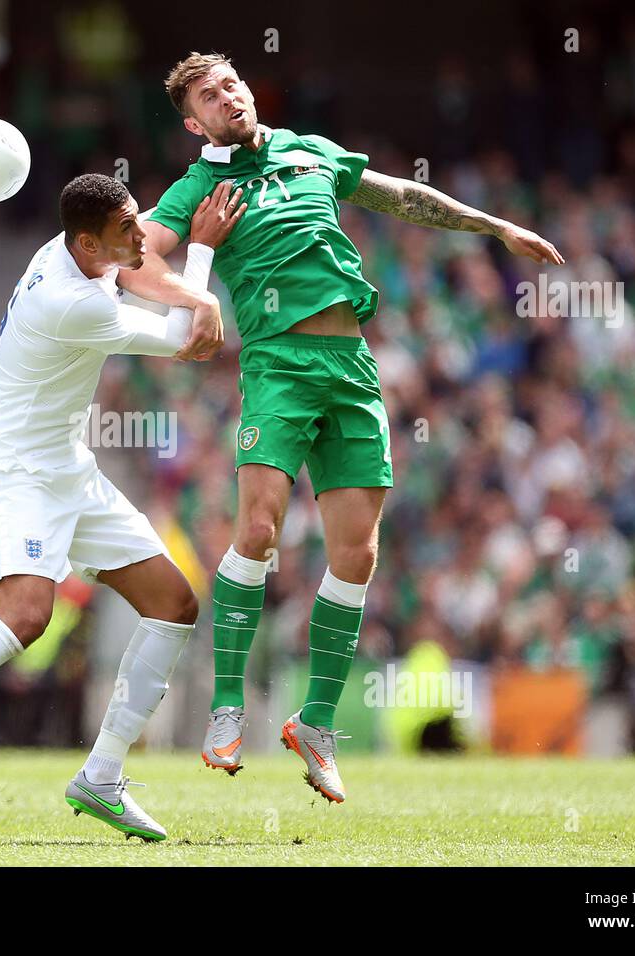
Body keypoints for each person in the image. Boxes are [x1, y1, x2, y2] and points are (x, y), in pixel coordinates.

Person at [119, 51, 563, 803]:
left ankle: (316, 723)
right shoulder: (199, 186)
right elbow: (132, 264)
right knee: (256, 532)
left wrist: (494, 226)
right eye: (209, 94)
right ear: (193, 121)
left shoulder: (308, 149)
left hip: (351, 364)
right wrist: (198, 274)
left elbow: (400, 196)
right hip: (277, 364)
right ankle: (227, 708)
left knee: (357, 553)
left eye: (232, 81)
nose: (228, 95)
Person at [0, 173, 243, 841]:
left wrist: (189, 288)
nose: (140, 237)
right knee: (27, 618)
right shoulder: (71, 304)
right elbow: (187, 339)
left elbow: (139, 274)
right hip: (17, 473)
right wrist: (200, 255)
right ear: (89, 241)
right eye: (126, 231)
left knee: (175, 605)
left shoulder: (68, 251)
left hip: (68, 469)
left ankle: (102, 777)